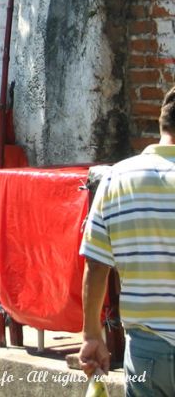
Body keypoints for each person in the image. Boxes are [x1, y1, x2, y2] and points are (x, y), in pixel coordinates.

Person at [79, 86, 175, 396]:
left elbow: (96, 265)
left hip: (147, 352)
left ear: (162, 124)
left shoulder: (116, 178)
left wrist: (92, 335)